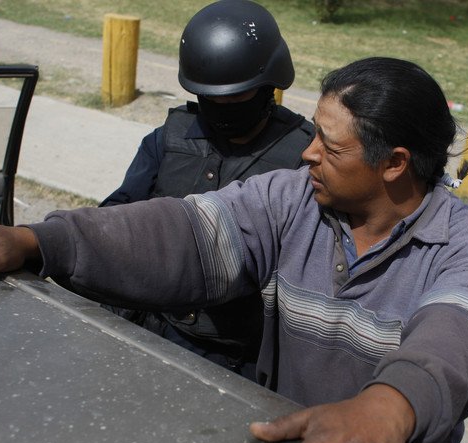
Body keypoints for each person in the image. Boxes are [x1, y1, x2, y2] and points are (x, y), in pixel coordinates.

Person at [0, 57, 468, 443]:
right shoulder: (290, 199)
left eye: (330, 146)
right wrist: (39, 242)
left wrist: (387, 408)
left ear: (395, 163)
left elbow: (458, 335)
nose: (306, 156)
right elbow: (184, 234)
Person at [100, 0, 314, 380]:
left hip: (241, 359)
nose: (224, 108)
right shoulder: (169, 138)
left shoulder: (303, 156)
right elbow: (116, 219)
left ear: (268, 88)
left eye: (237, 97)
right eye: (212, 99)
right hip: (152, 329)